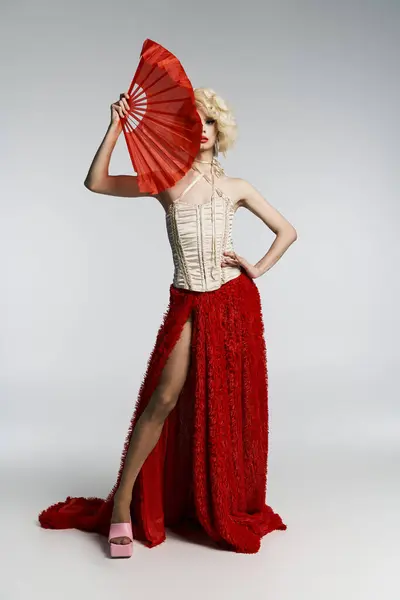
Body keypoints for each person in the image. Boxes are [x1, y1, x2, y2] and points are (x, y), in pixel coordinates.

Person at [38, 87, 297, 557]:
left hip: (233, 303)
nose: (201, 128)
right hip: (189, 301)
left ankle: (214, 501)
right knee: (165, 395)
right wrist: (116, 126)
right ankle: (122, 504)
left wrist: (255, 267)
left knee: (224, 403)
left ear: (220, 131)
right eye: (193, 121)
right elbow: (96, 182)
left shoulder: (238, 187)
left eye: (210, 121)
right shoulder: (166, 180)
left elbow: (288, 231)